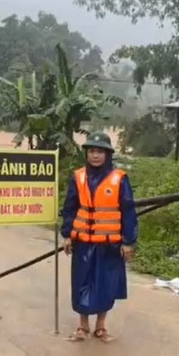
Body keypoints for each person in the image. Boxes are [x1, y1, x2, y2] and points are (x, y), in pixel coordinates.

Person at [60, 132, 138, 343]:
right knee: (81, 283)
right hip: (83, 242)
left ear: (107, 154)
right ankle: (82, 327)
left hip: (109, 244)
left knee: (106, 284)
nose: (95, 155)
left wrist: (128, 241)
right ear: (87, 154)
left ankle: (101, 327)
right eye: (92, 151)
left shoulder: (119, 179)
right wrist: (67, 235)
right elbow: (70, 208)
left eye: (100, 151)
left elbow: (128, 211)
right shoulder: (78, 177)